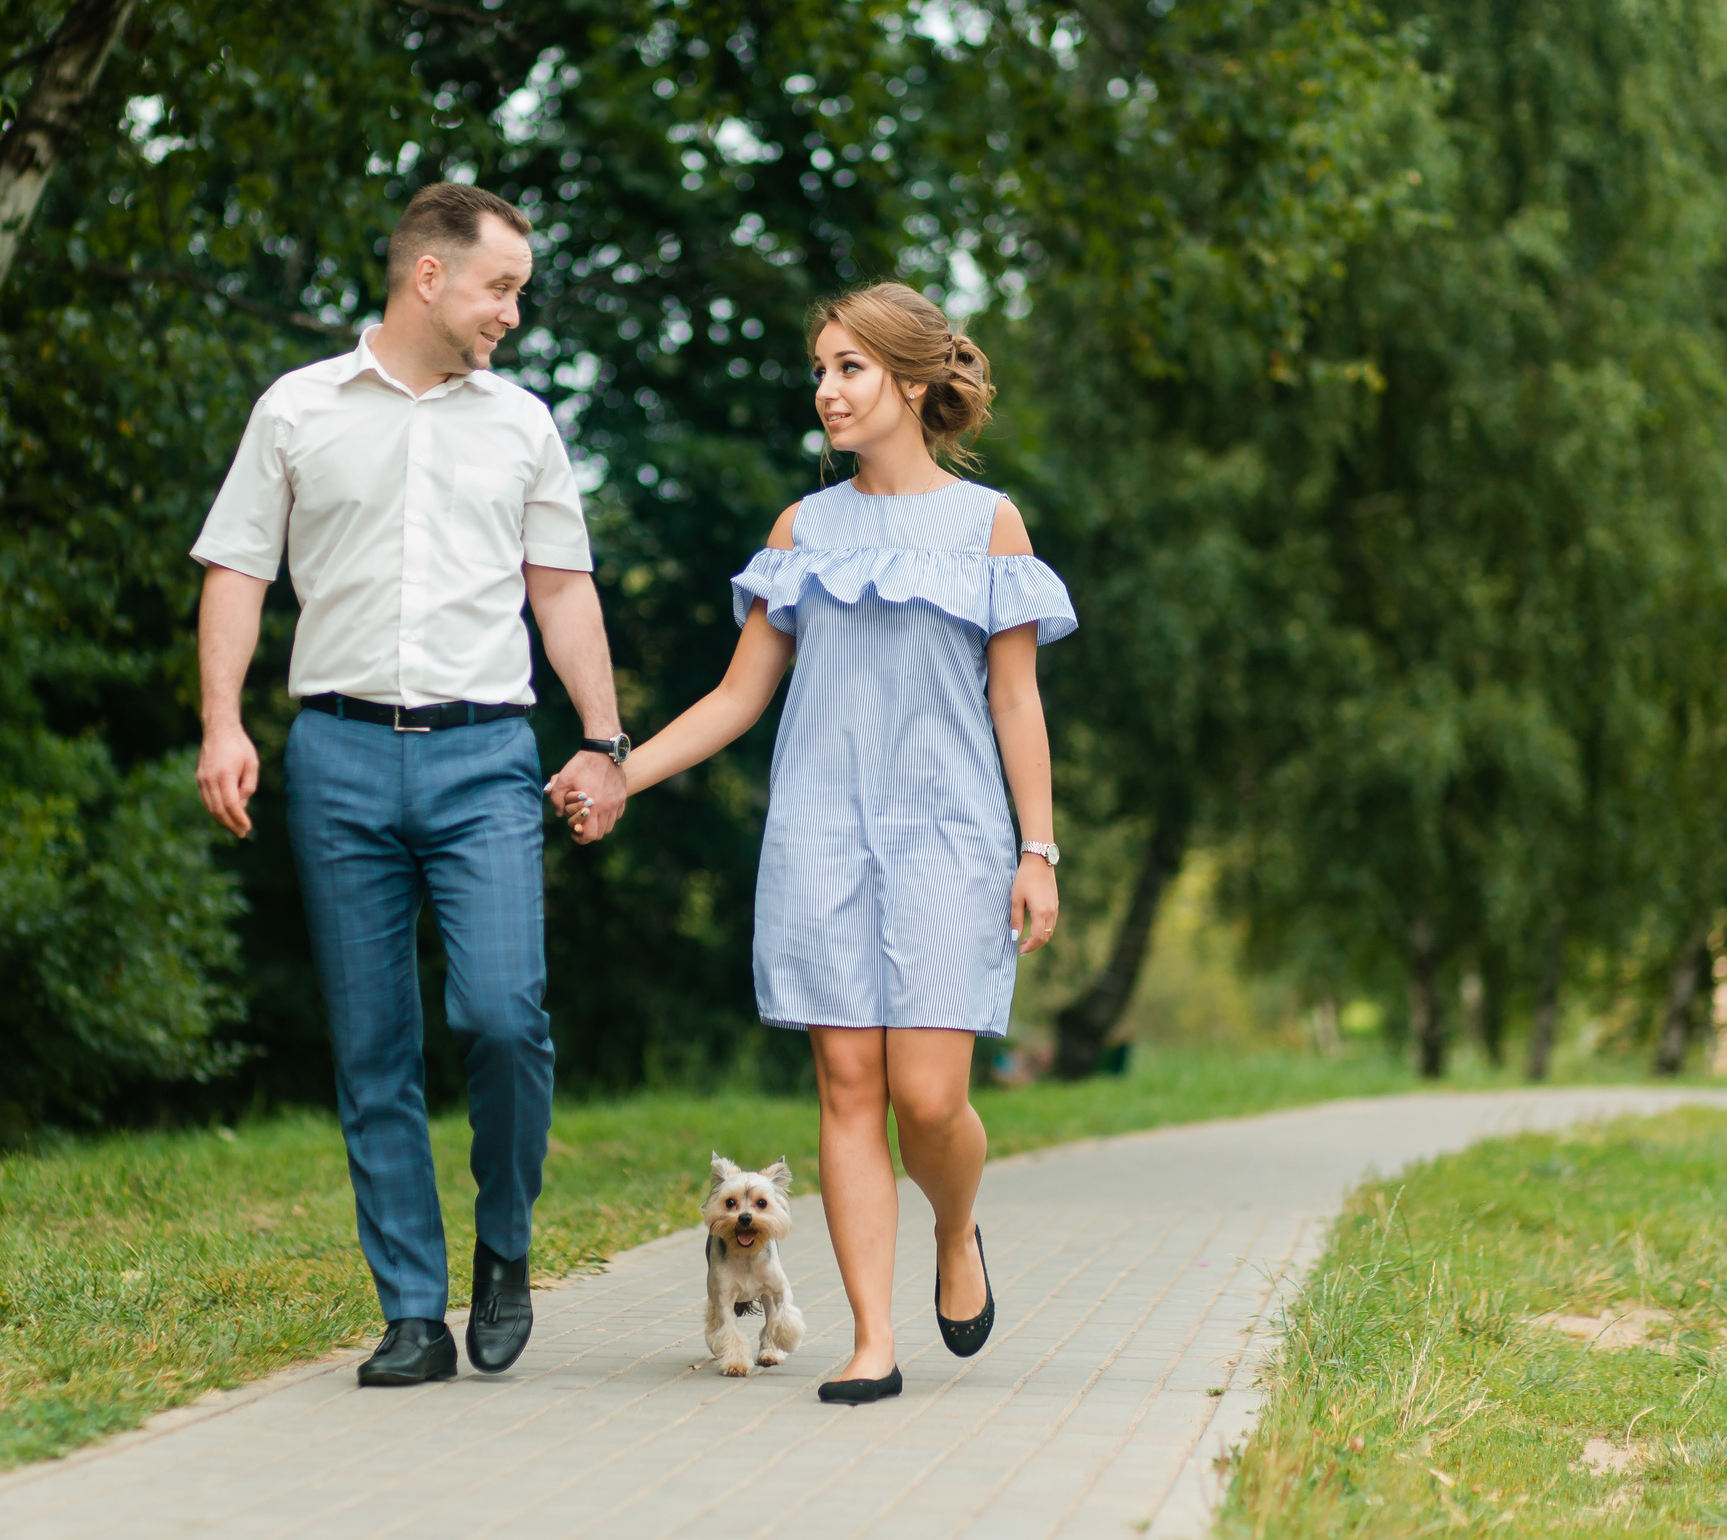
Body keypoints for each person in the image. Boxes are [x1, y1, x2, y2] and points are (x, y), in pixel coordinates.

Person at [551, 282, 1075, 1404]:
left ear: (915, 381)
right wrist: (621, 770)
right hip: (822, 841)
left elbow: (1016, 703)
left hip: (950, 839)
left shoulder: (989, 528)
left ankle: (957, 1227)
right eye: (821, 370)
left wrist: (1040, 851)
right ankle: (872, 1343)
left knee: (930, 1101)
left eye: (850, 368)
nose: (827, 390)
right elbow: (740, 695)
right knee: (846, 1087)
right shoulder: (804, 529)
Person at [191, 183, 631, 1388]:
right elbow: (237, 569)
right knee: (372, 1042)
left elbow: (561, 589)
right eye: (500, 288)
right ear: (428, 278)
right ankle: (409, 1310)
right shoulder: (297, 410)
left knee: (501, 1013)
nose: (512, 314)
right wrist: (223, 722)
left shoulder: (522, 424)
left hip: (484, 753)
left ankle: (504, 1247)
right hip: (334, 753)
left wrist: (604, 740)